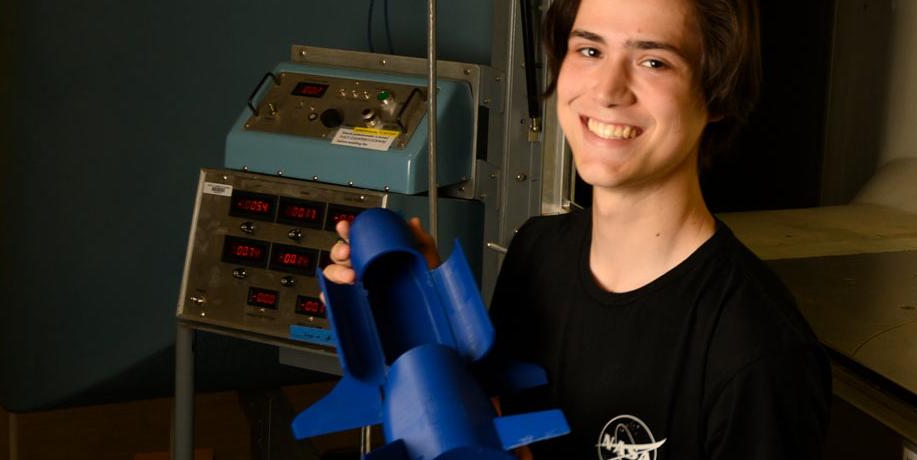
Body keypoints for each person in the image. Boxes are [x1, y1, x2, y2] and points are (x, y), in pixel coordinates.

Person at [321, 0, 831, 457]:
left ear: (718, 93)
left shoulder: (757, 352)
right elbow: (509, 437)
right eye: (589, 50)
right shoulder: (538, 254)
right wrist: (430, 319)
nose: (607, 90)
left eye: (653, 61)